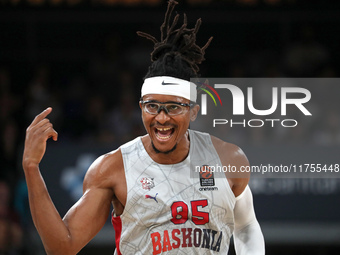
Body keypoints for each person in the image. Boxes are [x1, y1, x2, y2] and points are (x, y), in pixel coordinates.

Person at [22, 1, 265, 254]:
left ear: (193, 111)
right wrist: (31, 167)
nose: (161, 118)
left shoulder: (227, 159)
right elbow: (62, 247)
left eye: (173, 107)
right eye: (152, 106)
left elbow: (246, 226)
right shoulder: (113, 168)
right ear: (140, 107)